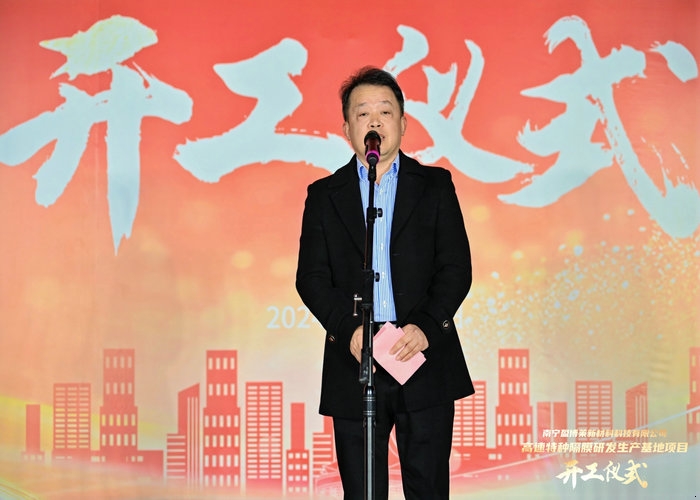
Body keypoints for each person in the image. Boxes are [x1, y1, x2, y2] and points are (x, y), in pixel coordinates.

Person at [296, 66, 474, 500]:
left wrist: (426, 327)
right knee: (362, 492)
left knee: (429, 489)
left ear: (403, 123)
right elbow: (311, 278)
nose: (374, 122)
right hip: (356, 358)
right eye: (362, 114)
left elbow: (455, 268)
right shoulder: (324, 195)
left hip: (420, 352)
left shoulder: (435, 186)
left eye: (385, 112)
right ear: (346, 129)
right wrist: (349, 329)